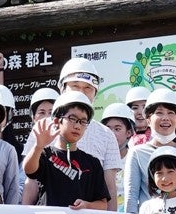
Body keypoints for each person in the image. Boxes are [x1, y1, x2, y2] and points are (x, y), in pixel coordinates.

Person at [21, 58, 125, 204]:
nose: (81, 92)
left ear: (95, 93)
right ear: (62, 89)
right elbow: (31, 180)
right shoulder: (43, 126)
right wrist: (26, 212)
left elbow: (109, 188)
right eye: (75, 86)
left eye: (88, 88)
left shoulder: (107, 134)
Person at [123, 89, 176, 214]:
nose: (165, 118)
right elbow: (131, 198)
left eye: (171, 113)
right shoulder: (137, 153)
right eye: (159, 113)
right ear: (148, 120)